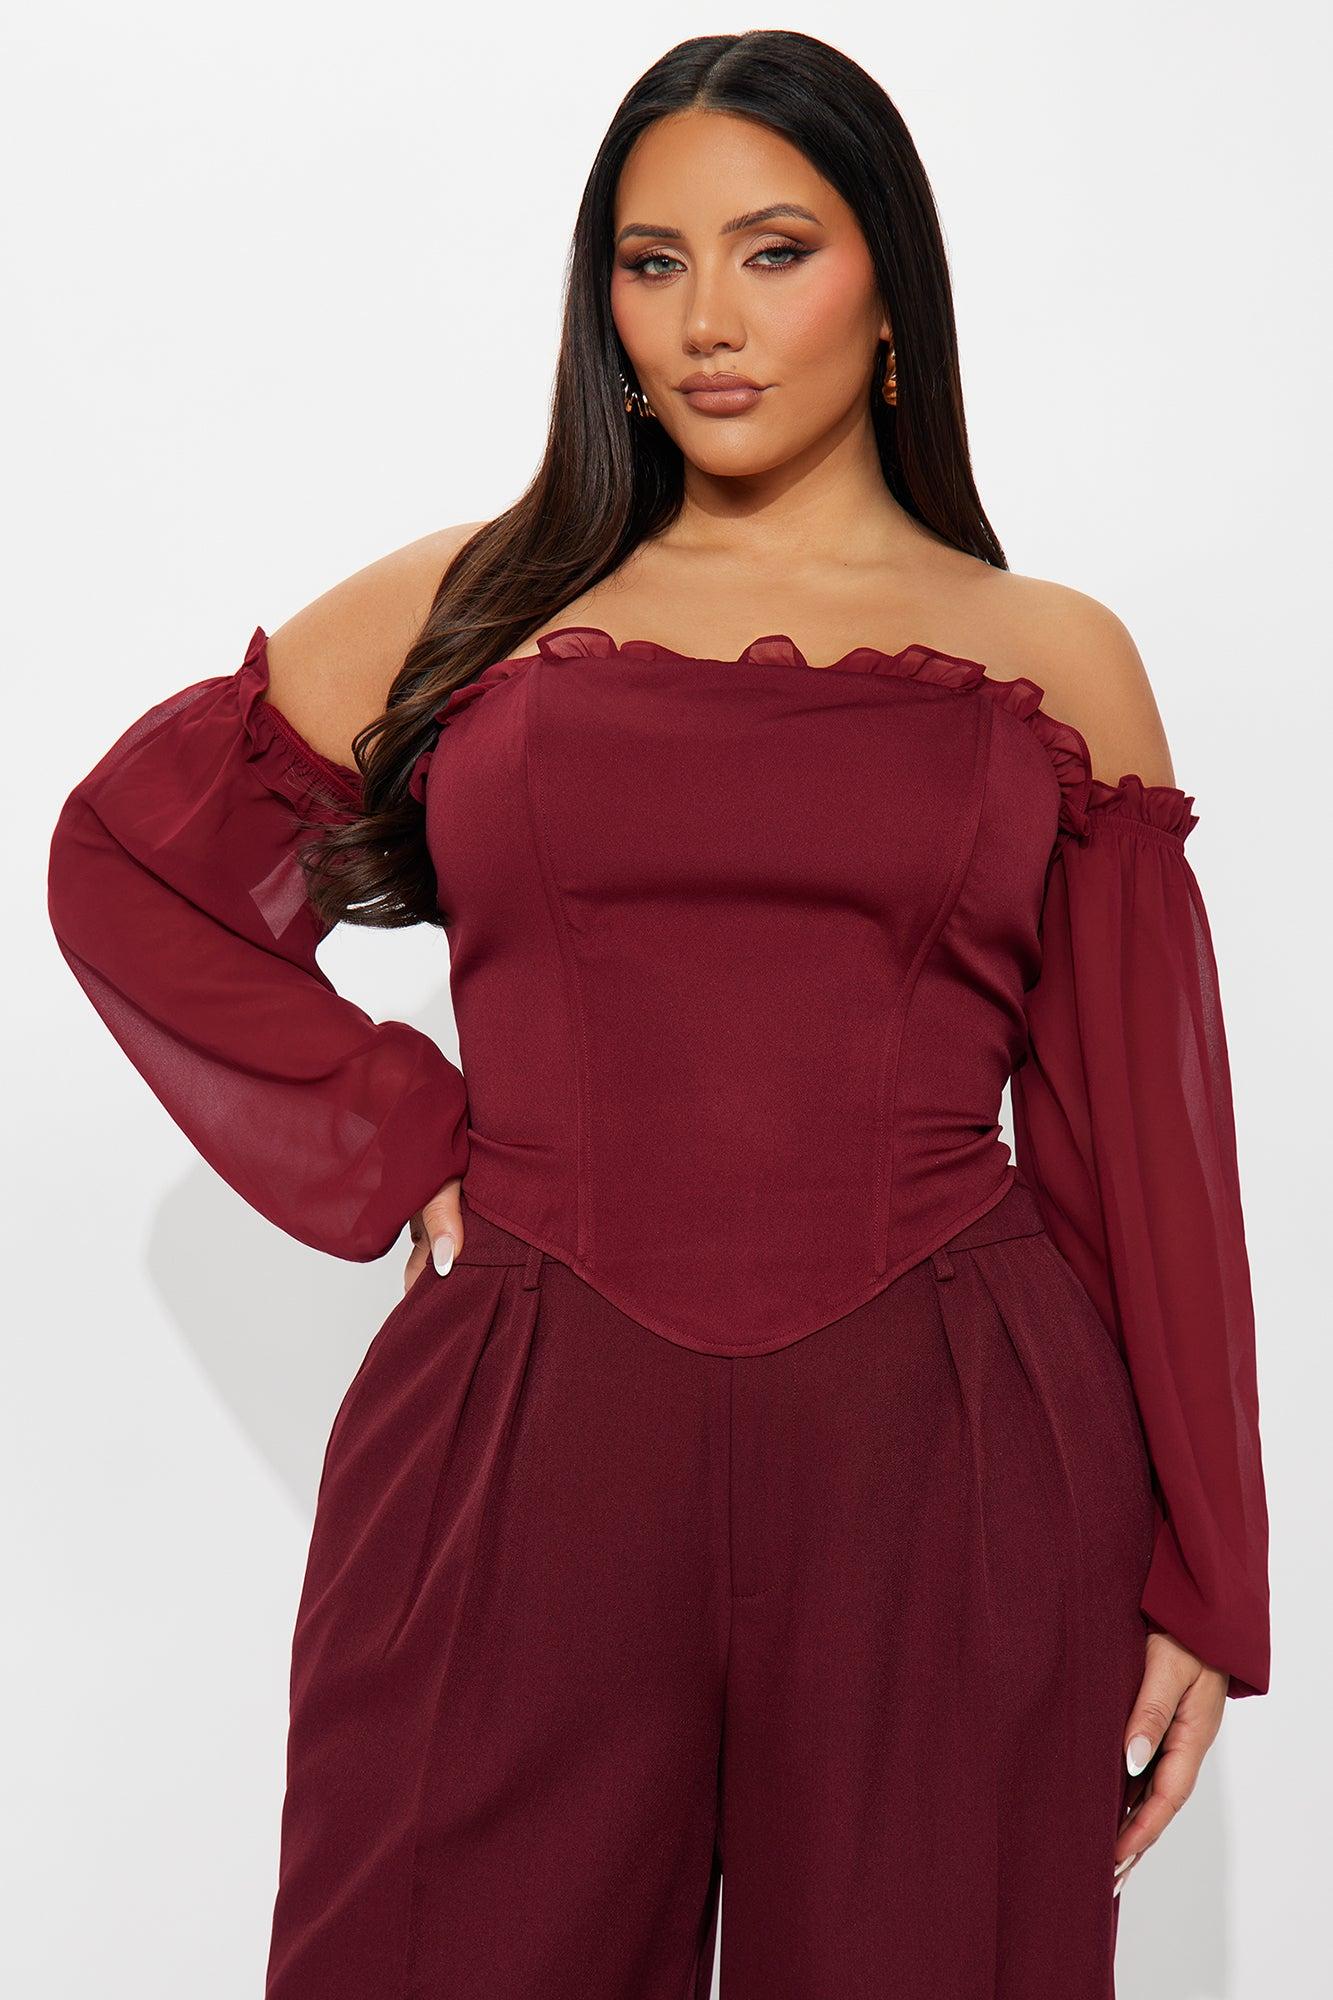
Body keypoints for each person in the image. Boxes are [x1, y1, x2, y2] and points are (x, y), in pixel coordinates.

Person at [45, 28, 1270, 2000]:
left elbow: (1145, 1140)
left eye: (773, 251)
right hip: (522, 1426)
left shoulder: (1049, 658)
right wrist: (395, 1133)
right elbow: (133, 864)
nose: (707, 317)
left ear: (889, 285)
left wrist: (1205, 1571)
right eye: (650, 260)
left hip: (946, 1449)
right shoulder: (476, 602)